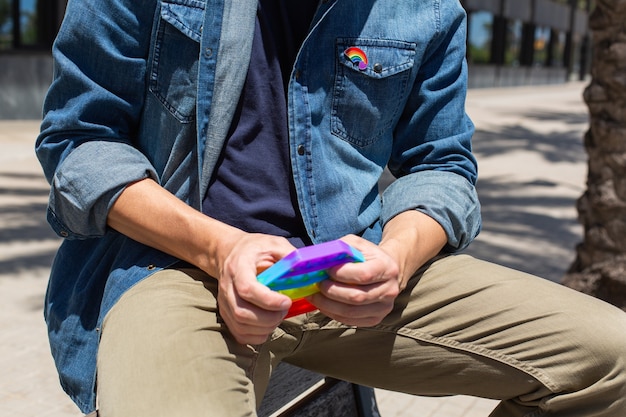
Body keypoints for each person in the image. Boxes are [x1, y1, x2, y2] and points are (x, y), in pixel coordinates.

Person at [36, 0, 626, 416]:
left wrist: (393, 260)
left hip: (350, 272)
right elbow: (79, 142)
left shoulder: (427, 8)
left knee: (613, 362)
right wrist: (221, 249)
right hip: (173, 270)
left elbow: (442, 166)